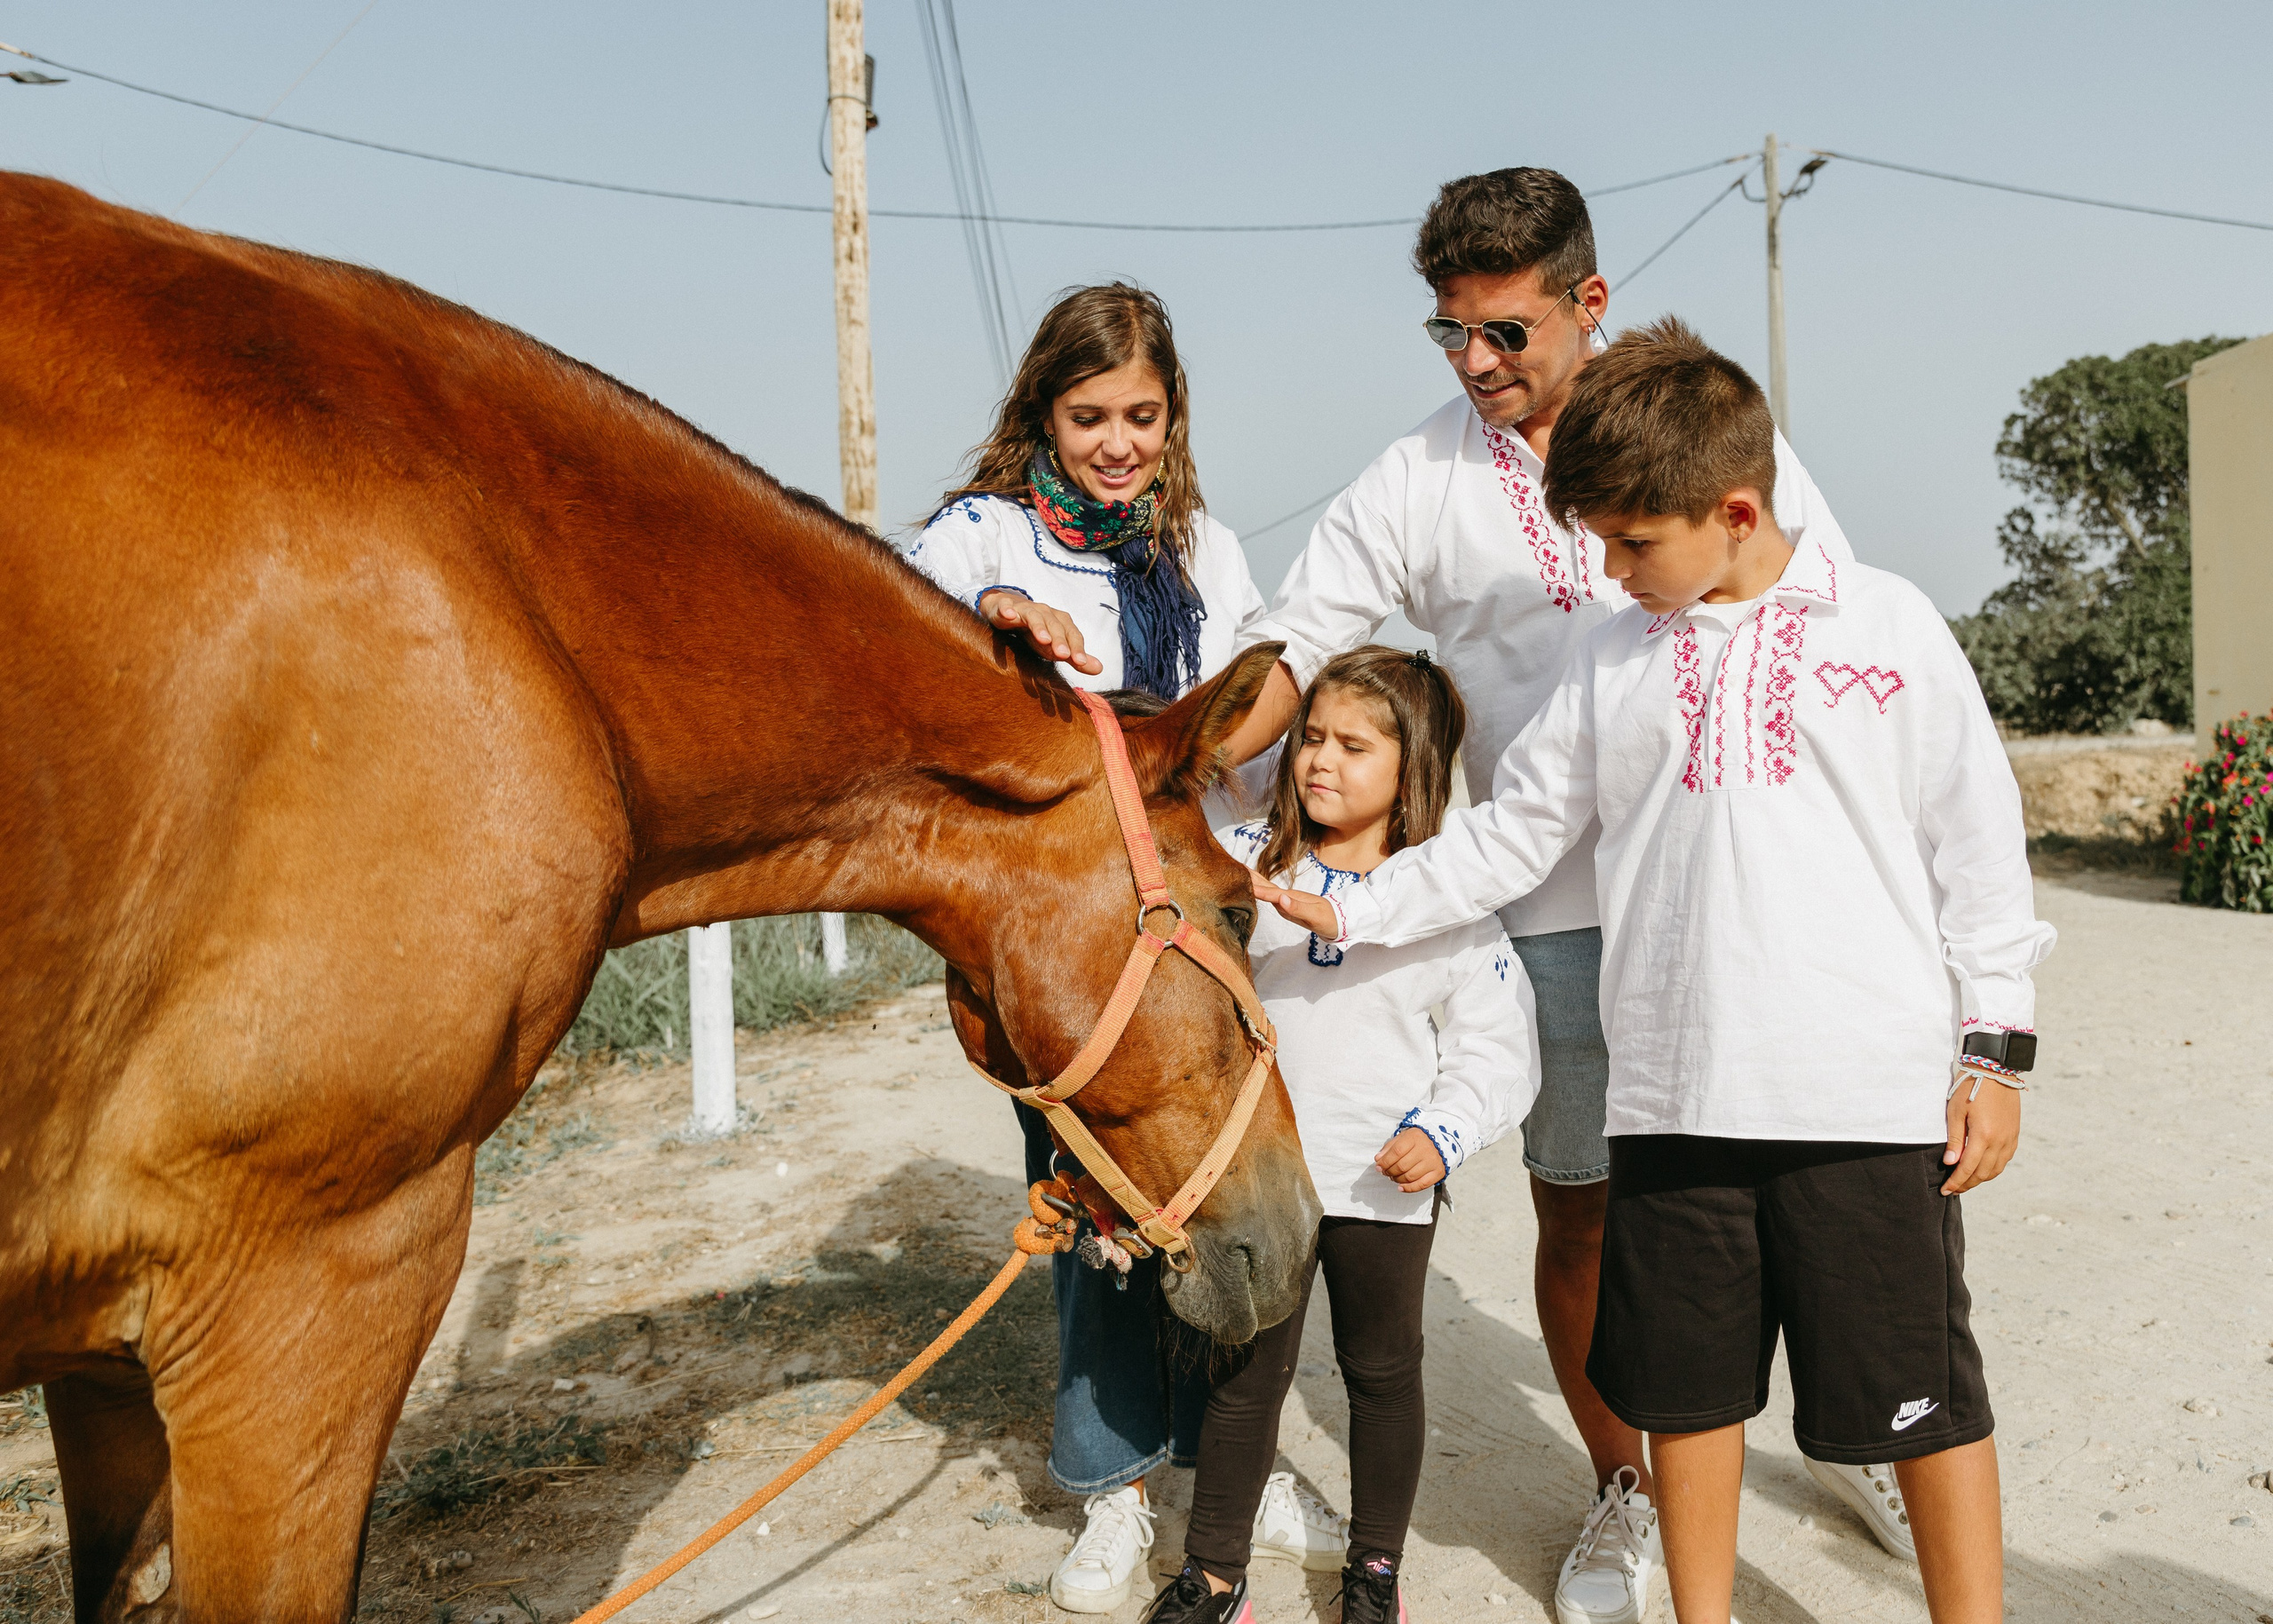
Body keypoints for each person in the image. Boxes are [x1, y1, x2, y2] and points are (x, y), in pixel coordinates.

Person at [1255, 318, 2054, 1624]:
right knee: (1686, 1398)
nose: (1610, 571)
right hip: (1674, 1105)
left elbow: (1980, 855)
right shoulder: (1613, 657)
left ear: (1737, 508)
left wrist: (1995, 1055)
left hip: (1862, 1105)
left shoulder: (1891, 625)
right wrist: (1349, 904)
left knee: (1920, 1401)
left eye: (1632, 543)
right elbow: (1511, 839)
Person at [906, 281, 1279, 1615]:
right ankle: (1115, 1490)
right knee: (1102, 1215)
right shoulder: (982, 535)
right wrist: (1008, 609)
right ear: (1042, 415)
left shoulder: (1205, 555)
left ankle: (1234, 1459)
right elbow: (929, 625)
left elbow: (1244, 722)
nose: (1116, 441)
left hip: (1191, 924)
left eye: (1141, 413)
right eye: (1088, 415)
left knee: (1230, 1185)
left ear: (1173, 416)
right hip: (1070, 948)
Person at [1142, 646, 1537, 1624]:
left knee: (1381, 1372)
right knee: (1245, 1378)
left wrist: (1442, 1131)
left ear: (1414, 770)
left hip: (1379, 1179)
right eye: (1311, 736)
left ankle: (1373, 1570)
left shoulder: (1446, 904)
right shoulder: (1242, 864)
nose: (1320, 759)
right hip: (1260, 1182)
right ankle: (1214, 1574)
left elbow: (1496, 1046)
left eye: (1354, 745)